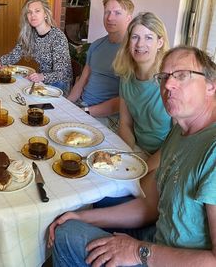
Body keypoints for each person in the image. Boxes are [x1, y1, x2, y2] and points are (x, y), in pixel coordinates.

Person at [49, 46, 216, 267]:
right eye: (164, 77)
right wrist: (82, 216)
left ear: (211, 85)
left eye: (182, 75)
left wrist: (139, 252)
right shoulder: (180, 131)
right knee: (88, 206)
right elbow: (150, 206)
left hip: (169, 259)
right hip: (158, 238)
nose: (168, 85)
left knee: (67, 234)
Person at [113, 12, 172, 171]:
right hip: (139, 149)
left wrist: (144, 168)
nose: (140, 44)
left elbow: (179, 139)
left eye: (148, 37)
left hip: (166, 157)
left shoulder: (169, 81)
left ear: (160, 42)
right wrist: (126, 156)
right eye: (135, 37)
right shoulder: (126, 77)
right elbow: (126, 123)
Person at [67, 0, 134, 125]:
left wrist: (85, 112)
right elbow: (82, 81)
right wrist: (66, 105)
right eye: (107, 12)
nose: (109, 18)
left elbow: (122, 101)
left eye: (117, 13)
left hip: (106, 117)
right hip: (83, 106)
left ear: (129, 18)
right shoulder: (97, 45)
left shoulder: (131, 51)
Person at [0, 0, 72, 93]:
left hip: (59, 84)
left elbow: (62, 73)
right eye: (29, 12)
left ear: (45, 14)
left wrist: (41, 77)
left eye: (37, 11)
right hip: (41, 81)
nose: (33, 15)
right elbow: (15, 55)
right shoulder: (29, 34)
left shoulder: (58, 37)